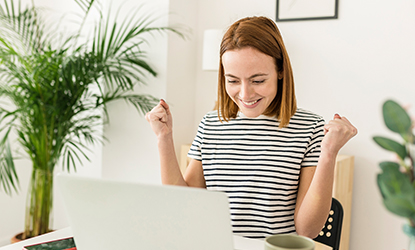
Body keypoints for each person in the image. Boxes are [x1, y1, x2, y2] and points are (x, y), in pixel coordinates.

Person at [146, 16, 357, 239]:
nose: (245, 94)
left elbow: (308, 230)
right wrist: (164, 138)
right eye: (233, 81)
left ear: (280, 71)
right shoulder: (210, 125)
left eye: (258, 81)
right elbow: (185, 207)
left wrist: (329, 153)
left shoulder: (310, 128)